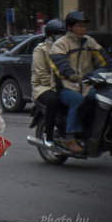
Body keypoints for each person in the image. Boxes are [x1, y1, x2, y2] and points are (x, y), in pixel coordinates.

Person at [49, 10, 112, 153]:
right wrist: (72, 76)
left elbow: (103, 57)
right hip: (66, 86)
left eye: (84, 26)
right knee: (77, 100)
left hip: (86, 85)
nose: (82, 29)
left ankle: (93, 132)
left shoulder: (88, 41)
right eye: (79, 26)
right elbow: (60, 65)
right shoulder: (61, 44)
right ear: (70, 27)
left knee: (103, 98)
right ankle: (70, 138)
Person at [31, 18, 66, 147]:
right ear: (51, 35)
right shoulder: (40, 50)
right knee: (53, 100)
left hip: (62, 85)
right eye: (60, 34)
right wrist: (56, 87)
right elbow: (41, 73)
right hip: (42, 87)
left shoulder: (64, 49)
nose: (62, 37)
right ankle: (49, 135)